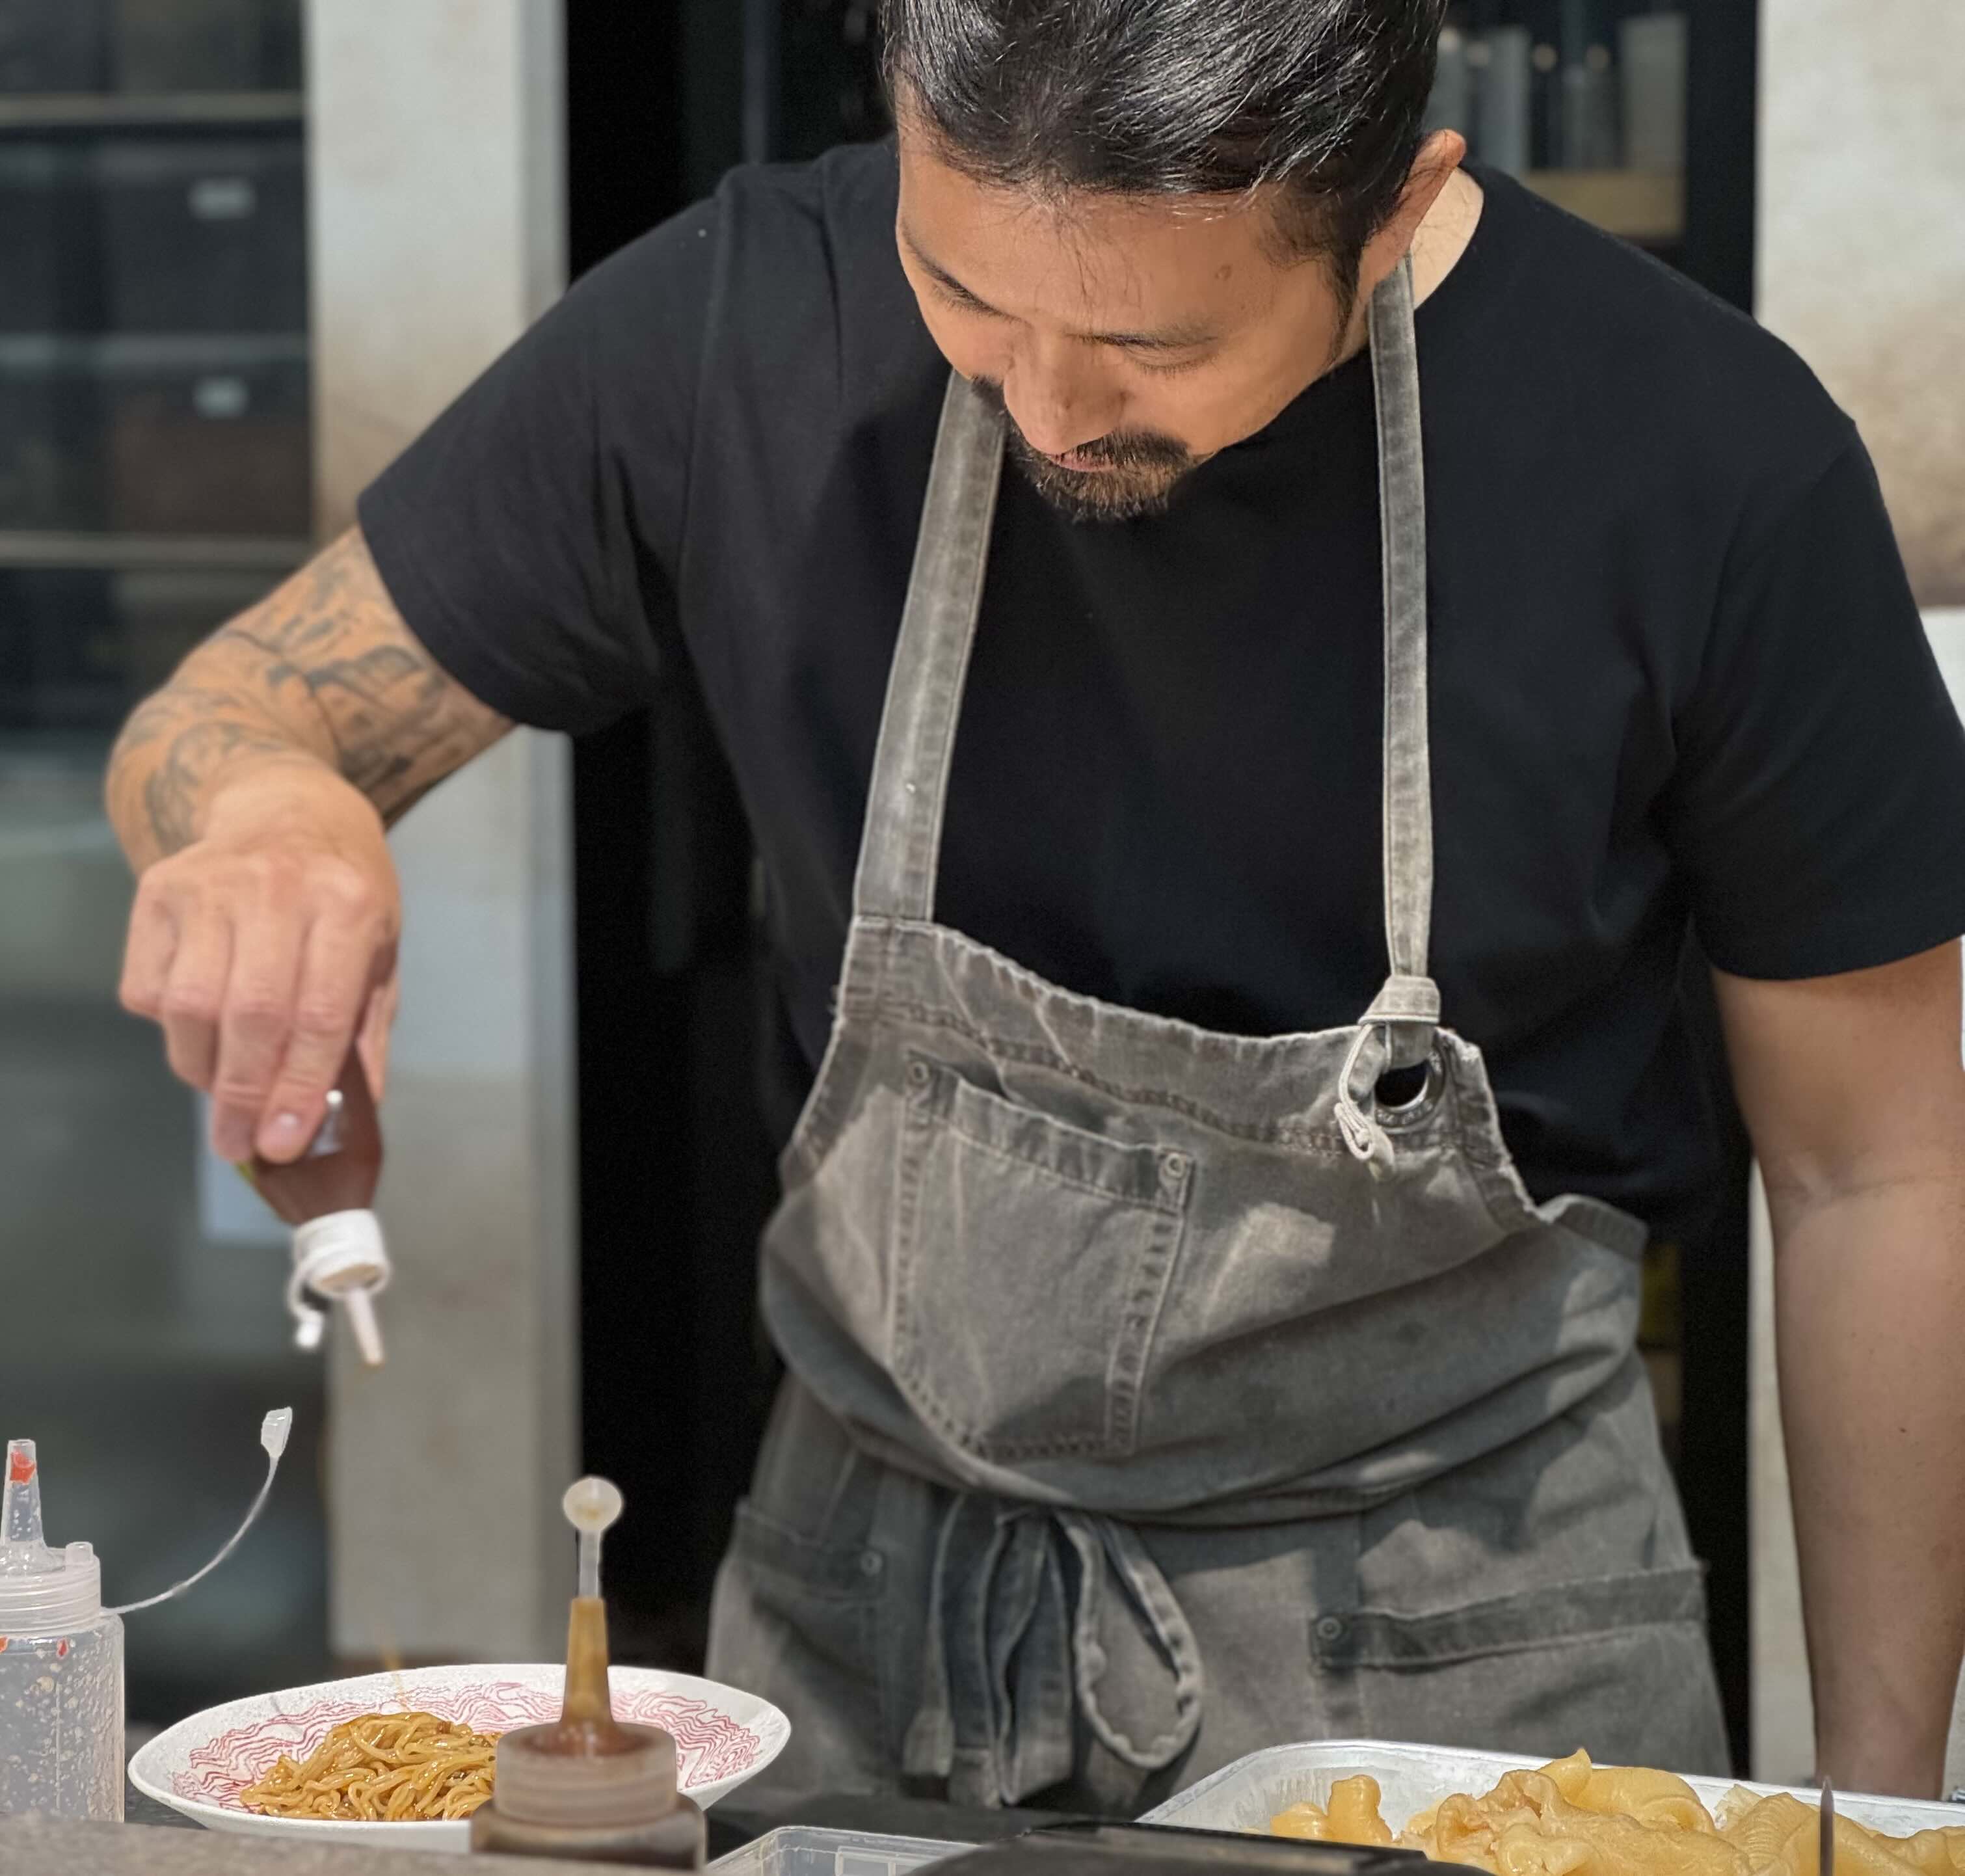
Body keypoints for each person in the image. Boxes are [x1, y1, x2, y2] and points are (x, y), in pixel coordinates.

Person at [105, 0, 1965, 1808]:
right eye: (965, 291)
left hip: (1472, 1652)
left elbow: (1877, 1174)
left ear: (1397, 206)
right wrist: (269, 816)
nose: (1044, 405)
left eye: (1151, 340)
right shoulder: (752, 317)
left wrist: (1887, 1812)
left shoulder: (1706, 458)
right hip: (868, 1632)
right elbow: (231, 711)